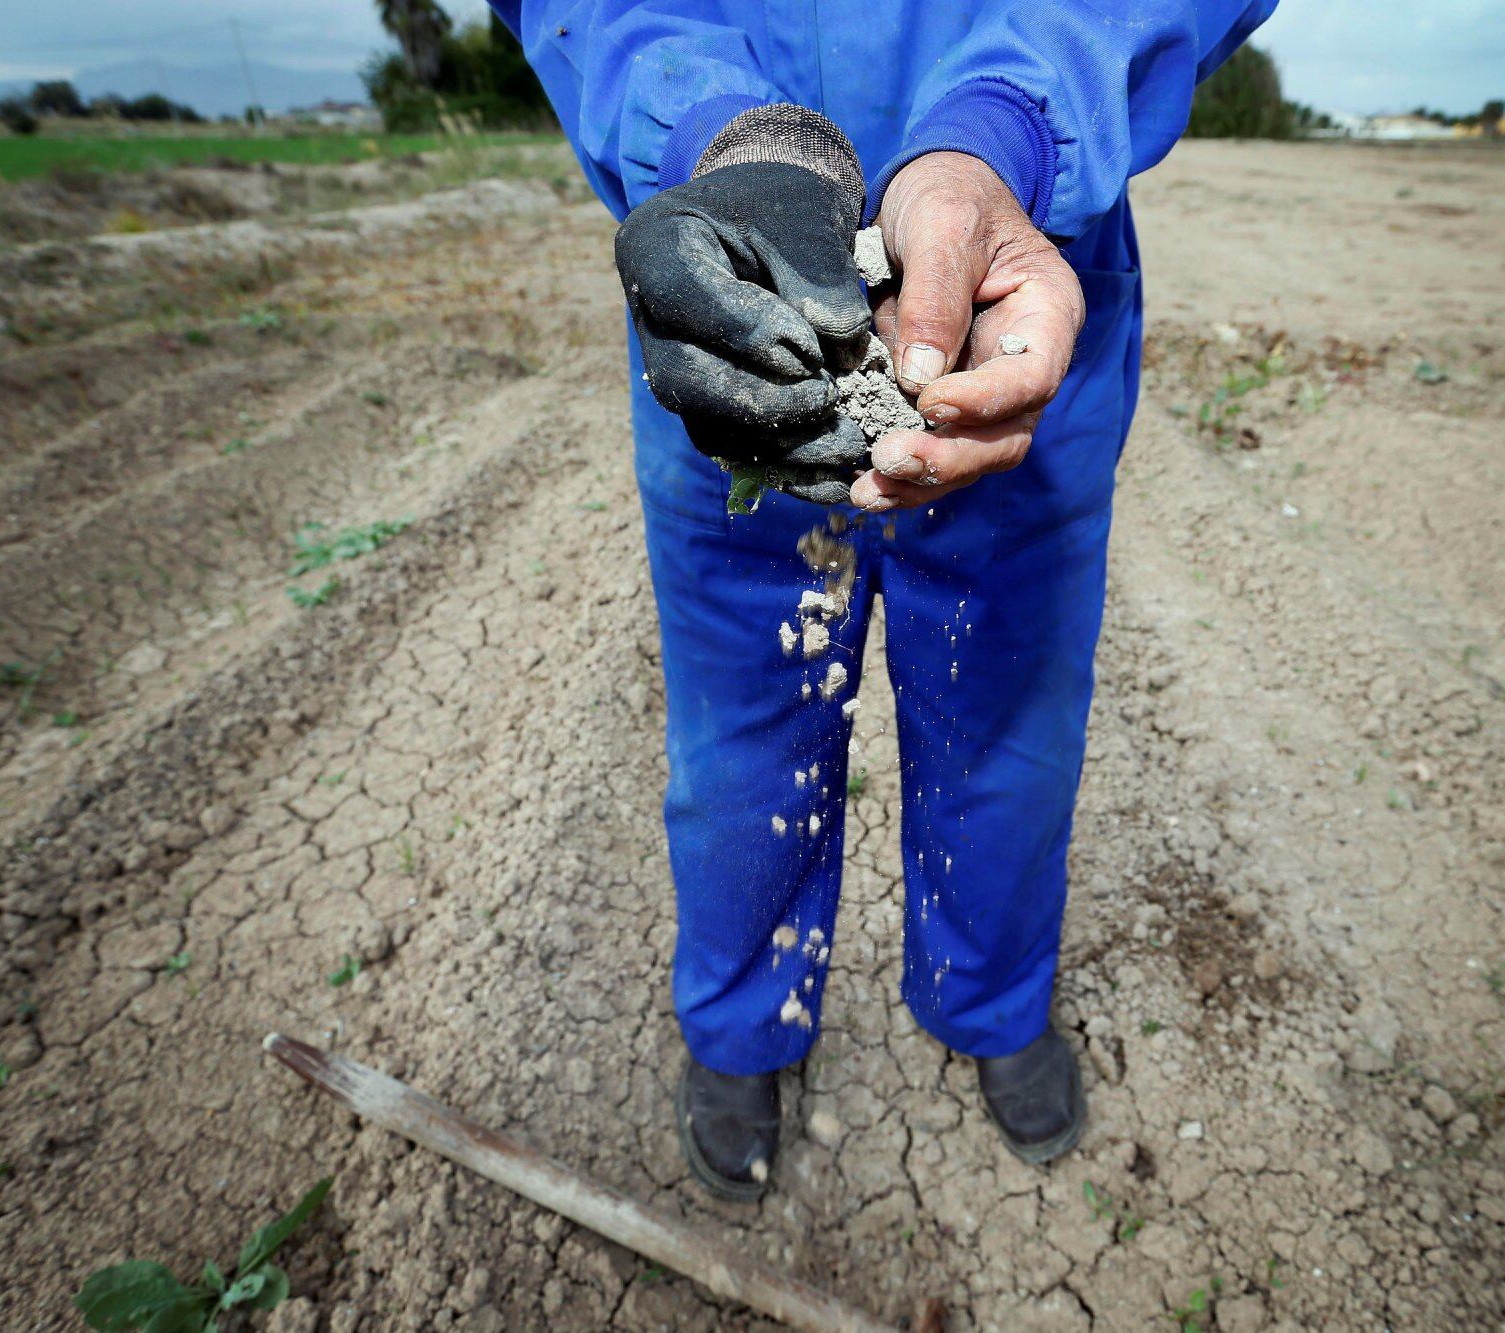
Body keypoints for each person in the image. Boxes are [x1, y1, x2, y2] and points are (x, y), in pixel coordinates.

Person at [486, 0, 1277, 1198]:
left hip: (1022, 266)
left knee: (1004, 716)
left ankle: (991, 1001)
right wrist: (728, 135)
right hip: (734, 302)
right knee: (740, 727)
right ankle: (744, 1028)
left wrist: (1001, 125)